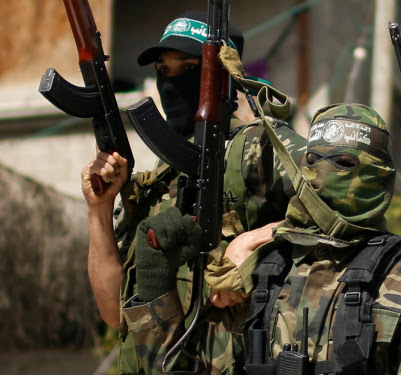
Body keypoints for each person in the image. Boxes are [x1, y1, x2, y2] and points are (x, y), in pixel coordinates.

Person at [121, 103, 401, 375]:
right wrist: (155, 283)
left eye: (345, 162)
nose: (325, 173)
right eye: (313, 161)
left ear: (379, 176)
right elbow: (186, 368)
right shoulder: (269, 267)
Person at [80, 10, 306, 373]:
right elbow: (112, 312)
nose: (171, 82)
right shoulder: (157, 182)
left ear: (222, 78)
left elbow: (338, 204)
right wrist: (99, 208)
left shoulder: (255, 147)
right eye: (164, 70)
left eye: (188, 68)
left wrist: (251, 243)